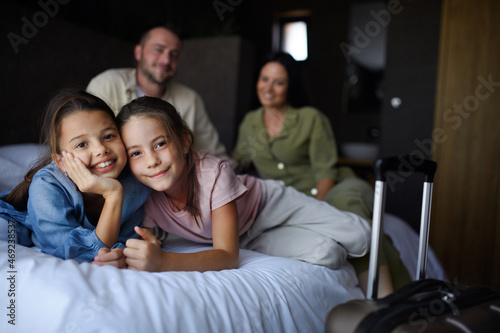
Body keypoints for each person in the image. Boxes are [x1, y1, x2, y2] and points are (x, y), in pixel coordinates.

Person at [100, 96, 371, 272]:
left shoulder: (214, 172)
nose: (151, 161)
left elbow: (227, 257)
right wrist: (121, 255)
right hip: (245, 236)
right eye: (136, 153)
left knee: (361, 237)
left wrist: (164, 262)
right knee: (329, 254)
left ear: (183, 142)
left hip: (268, 206)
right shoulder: (145, 193)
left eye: (160, 144)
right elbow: (134, 243)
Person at [232, 52, 411, 296]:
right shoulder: (250, 123)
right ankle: (401, 298)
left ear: (290, 86)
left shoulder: (310, 118)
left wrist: (318, 213)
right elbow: (237, 162)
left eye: (278, 82)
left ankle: (386, 299)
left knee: (347, 213)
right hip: (288, 200)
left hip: (337, 186)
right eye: (264, 79)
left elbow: (326, 172)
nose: (269, 88)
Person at [0, 89, 151, 266]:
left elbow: (124, 241)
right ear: (60, 161)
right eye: (82, 144)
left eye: (109, 136)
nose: (100, 149)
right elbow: (72, 252)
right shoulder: (46, 186)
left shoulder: (136, 181)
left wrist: (122, 253)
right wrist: (113, 193)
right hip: (15, 224)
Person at [86, 24, 231, 162]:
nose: (166, 60)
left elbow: (214, 153)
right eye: (158, 49)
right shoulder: (106, 84)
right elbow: (86, 143)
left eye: (174, 54)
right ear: (138, 52)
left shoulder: (190, 99)